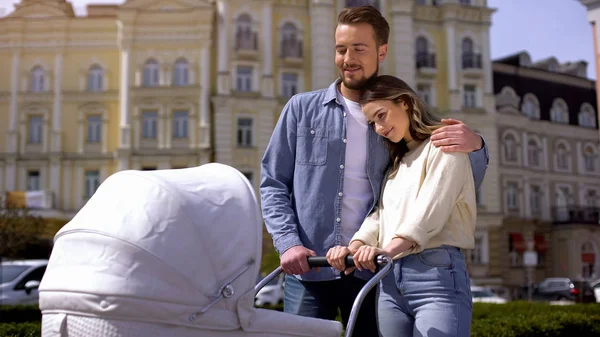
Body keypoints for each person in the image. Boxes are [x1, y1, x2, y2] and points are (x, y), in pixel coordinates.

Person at [260, 5, 488, 336]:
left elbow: (454, 180)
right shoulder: (300, 109)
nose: (347, 58)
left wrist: (477, 145)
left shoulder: (394, 115)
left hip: (375, 274)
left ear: (381, 51)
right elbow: (273, 183)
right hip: (310, 269)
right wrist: (288, 243)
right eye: (341, 49)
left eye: (358, 48)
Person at [327, 75, 476, 337]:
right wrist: (354, 248)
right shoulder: (397, 164)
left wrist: (384, 250)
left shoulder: (444, 146)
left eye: (381, 115)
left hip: (436, 277)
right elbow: (380, 215)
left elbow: (431, 209)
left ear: (405, 103)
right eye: (372, 123)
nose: (379, 128)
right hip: (389, 281)